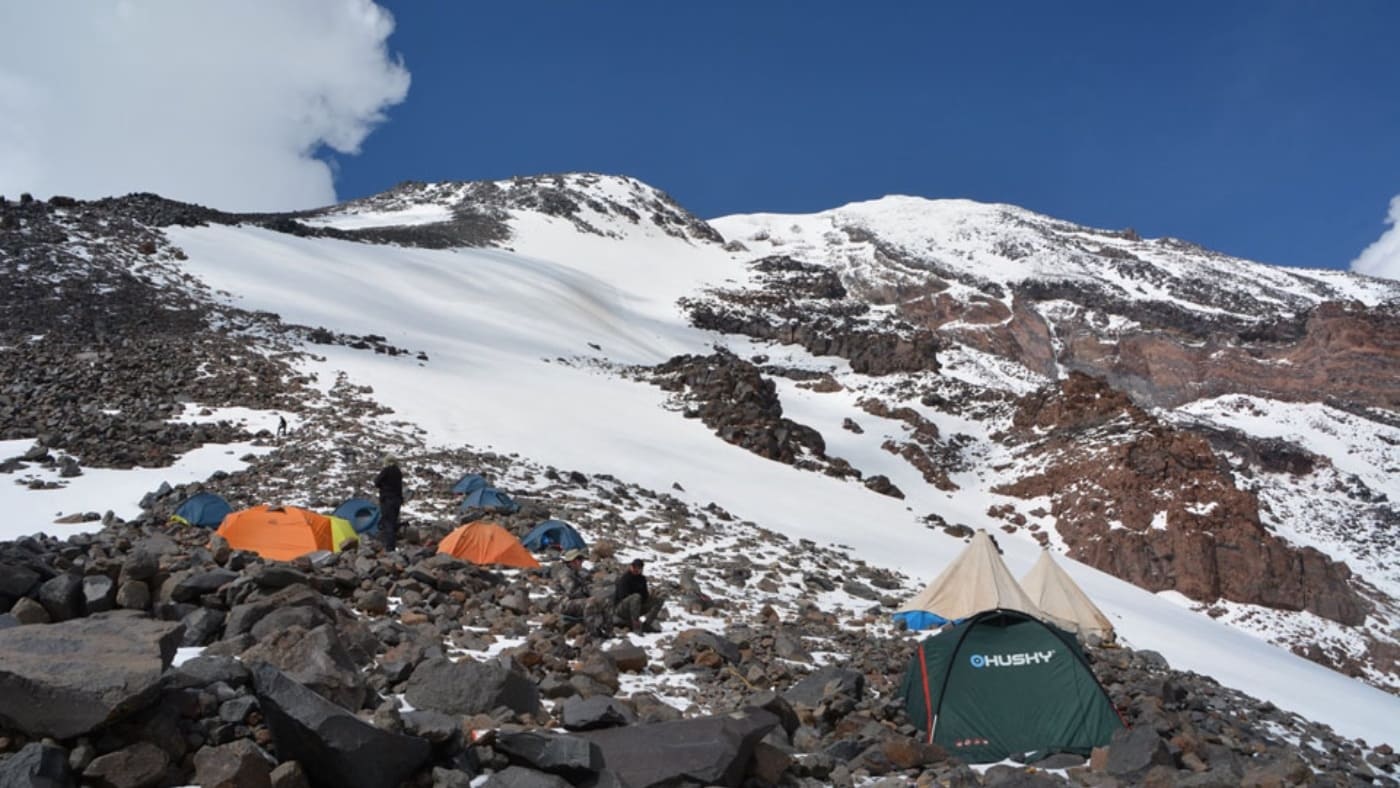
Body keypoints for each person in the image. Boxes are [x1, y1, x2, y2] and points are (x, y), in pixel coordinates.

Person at [554, 549, 608, 637]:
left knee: (604, 600)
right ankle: (591, 633)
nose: (582, 562)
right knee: (590, 602)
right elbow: (571, 592)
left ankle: (608, 630)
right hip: (565, 603)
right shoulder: (565, 573)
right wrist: (586, 590)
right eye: (579, 560)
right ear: (573, 561)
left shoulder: (576, 572)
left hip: (575, 601)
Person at [613, 558, 665, 633]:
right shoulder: (625, 578)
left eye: (638, 568)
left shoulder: (642, 579)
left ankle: (646, 624)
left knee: (659, 599)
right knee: (636, 597)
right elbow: (622, 596)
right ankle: (636, 626)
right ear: (631, 567)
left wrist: (652, 596)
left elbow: (645, 596)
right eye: (634, 567)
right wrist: (636, 597)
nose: (636, 569)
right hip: (621, 609)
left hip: (637, 607)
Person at [374, 456, 404, 550]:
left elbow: (376, 482)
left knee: (388, 522)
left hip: (387, 499)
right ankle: (393, 544)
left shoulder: (386, 470)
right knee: (393, 521)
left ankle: (390, 547)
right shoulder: (398, 472)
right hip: (397, 500)